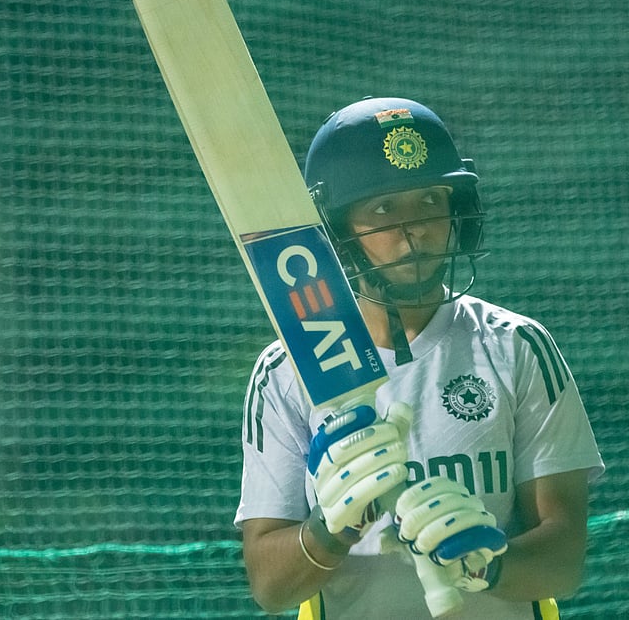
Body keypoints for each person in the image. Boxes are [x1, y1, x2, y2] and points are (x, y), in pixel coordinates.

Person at [235, 96, 604, 619]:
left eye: (431, 200)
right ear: (338, 229)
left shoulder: (516, 346)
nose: (417, 230)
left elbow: (563, 563)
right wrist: (330, 529)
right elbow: (269, 587)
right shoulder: (286, 371)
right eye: (384, 208)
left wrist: (486, 565)